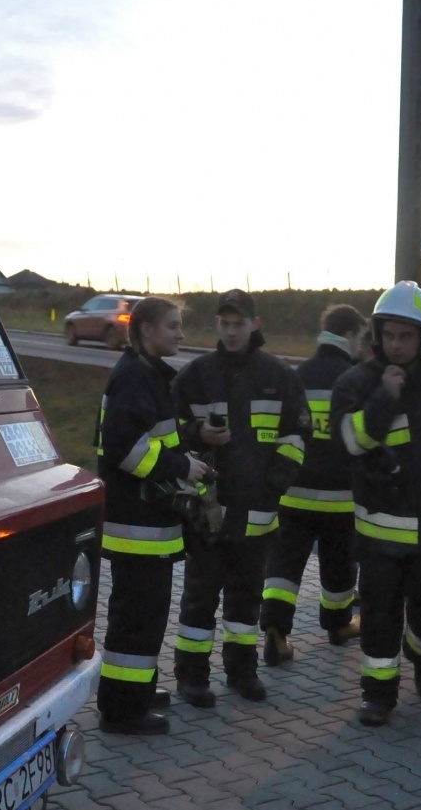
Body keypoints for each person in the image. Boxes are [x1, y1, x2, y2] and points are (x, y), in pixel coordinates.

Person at [333, 281, 421, 726]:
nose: (395, 345)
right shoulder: (355, 382)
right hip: (380, 529)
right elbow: (352, 442)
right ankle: (378, 695)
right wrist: (384, 397)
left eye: (405, 336)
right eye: (388, 335)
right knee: (379, 615)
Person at [171, 289, 309, 705]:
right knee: (199, 598)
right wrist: (196, 434)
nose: (231, 332)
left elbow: (298, 437)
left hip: (257, 514)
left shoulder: (280, 376)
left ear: (255, 324)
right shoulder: (195, 375)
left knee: (246, 600)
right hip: (206, 514)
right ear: (217, 325)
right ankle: (192, 678)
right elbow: (166, 429)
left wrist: (272, 489)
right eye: (224, 324)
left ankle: (241, 672)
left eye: (239, 324)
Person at [94, 297, 210, 735]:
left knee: (145, 617)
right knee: (136, 619)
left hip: (147, 526)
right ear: (145, 330)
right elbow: (123, 449)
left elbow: (158, 437)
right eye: (173, 327)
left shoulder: (147, 376)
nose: (181, 334)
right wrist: (182, 467)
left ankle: (137, 690)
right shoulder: (133, 379)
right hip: (136, 529)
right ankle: (122, 710)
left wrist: (191, 445)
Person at [261, 305, 367, 664]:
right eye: (361, 337)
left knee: (284, 566)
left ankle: (275, 631)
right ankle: (338, 625)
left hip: (293, 494)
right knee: (338, 566)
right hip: (341, 499)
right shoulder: (355, 379)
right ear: (351, 334)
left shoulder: (297, 376)